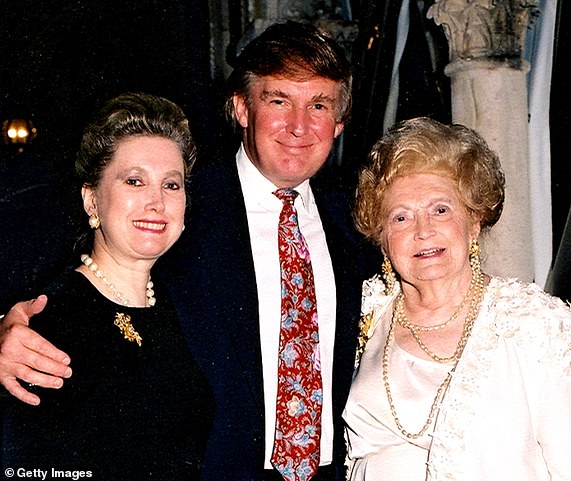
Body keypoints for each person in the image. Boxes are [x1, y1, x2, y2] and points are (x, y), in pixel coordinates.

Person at [0, 22, 378, 481]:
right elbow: (58, 267)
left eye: (318, 105)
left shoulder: (360, 224)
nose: (299, 126)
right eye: (278, 101)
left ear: (338, 123)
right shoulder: (178, 205)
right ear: (241, 107)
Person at [342, 117, 571, 480]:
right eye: (401, 218)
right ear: (382, 239)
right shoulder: (367, 314)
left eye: (440, 210)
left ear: (474, 221)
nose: (423, 231)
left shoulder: (538, 325)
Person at [1, 92, 214, 479]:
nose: (156, 202)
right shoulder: (49, 323)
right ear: (91, 200)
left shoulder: (181, 306)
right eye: (134, 181)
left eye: (171, 185)